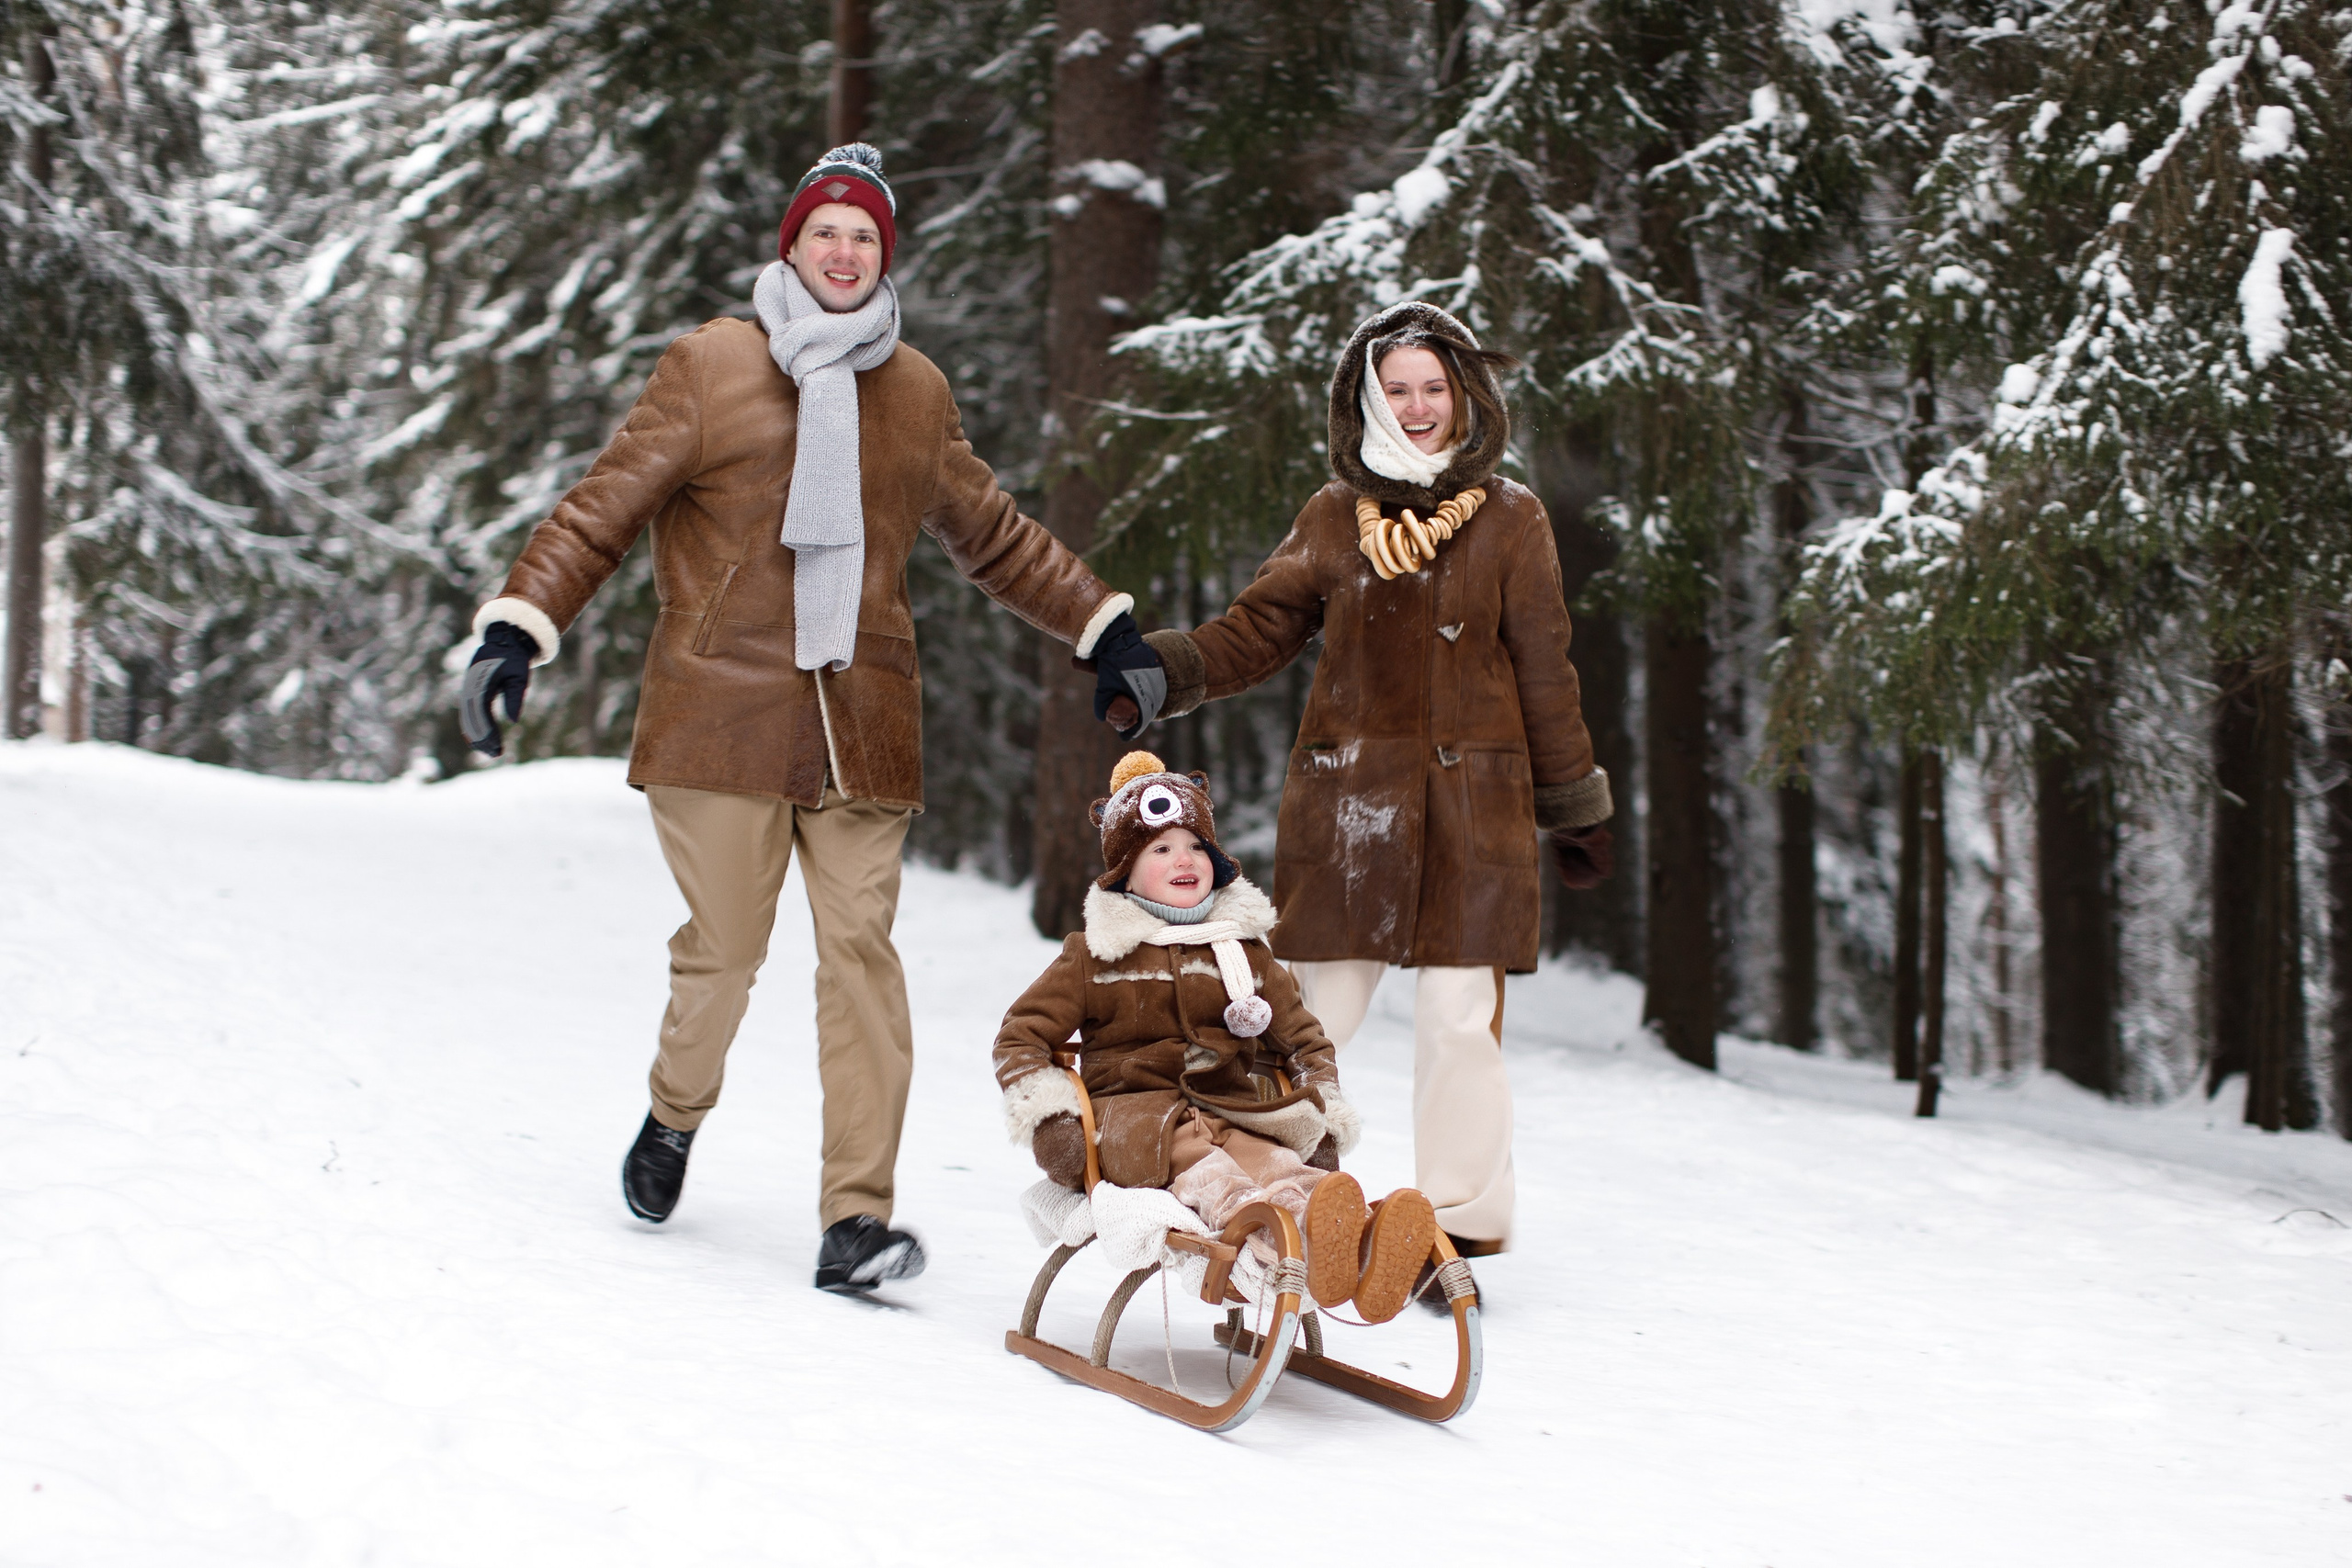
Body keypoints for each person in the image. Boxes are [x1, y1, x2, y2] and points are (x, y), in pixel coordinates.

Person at [452, 143, 1167, 1293]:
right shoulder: (711, 367)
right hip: (720, 712)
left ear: (884, 259)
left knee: (862, 963)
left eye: (865, 239)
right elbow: (601, 511)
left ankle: (855, 1220)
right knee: (724, 955)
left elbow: (994, 534)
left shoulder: (914, 391)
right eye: (825, 232)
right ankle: (673, 1115)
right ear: (793, 246)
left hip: (861, 722)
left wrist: (1105, 630)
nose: (843, 252)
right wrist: (516, 629)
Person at [1138, 300, 1614, 1263]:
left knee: (1456, 1022)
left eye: (1433, 387)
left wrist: (1572, 805)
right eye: (1396, 389)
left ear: (1465, 393)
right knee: (1309, 1014)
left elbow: (1544, 672)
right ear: (1366, 400)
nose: (1418, 405)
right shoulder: (1332, 517)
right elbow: (1257, 628)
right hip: (1349, 804)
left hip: (1475, 813)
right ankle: (1257, 1184)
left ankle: (1455, 1219)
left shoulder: (1514, 520)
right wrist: (1164, 668)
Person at [991, 750, 1451, 1321]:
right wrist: (1051, 1116)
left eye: (1195, 847)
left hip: (1232, 1110)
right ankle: (1268, 1248)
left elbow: (1305, 1042)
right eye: (1161, 849)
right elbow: (1020, 1037)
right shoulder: (1094, 958)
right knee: (1214, 1177)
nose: (1185, 859)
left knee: (1279, 1166)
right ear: (1125, 872)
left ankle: (1350, 1247)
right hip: (1137, 1123)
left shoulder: (1247, 955)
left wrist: (1323, 1111)